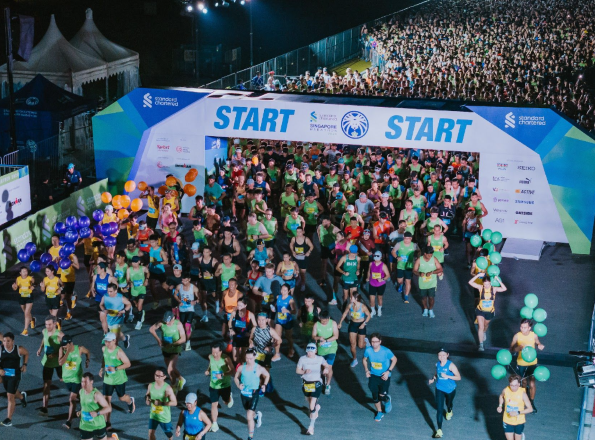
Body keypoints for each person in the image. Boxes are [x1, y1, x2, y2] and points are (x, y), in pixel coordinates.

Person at [99, 332, 135, 430]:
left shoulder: (119, 352)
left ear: (114, 341)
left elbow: (128, 364)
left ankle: (130, 401)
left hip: (119, 379)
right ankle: (108, 422)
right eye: (105, 341)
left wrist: (115, 368)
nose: (107, 343)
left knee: (122, 398)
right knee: (106, 400)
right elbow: (104, 358)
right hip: (108, 379)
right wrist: (102, 368)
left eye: (109, 342)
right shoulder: (104, 349)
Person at [234, 349, 270, 440]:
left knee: (249, 416)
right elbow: (236, 377)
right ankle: (257, 416)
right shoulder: (241, 367)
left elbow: (267, 375)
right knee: (250, 413)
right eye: (247, 358)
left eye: (250, 358)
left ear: (255, 357)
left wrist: (264, 385)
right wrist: (238, 385)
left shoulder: (259, 368)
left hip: (254, 393)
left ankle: (250, 437)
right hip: (244, 394)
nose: (248, 360)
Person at [510, 319, 545, 412]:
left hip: (532, 363)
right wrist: (518, 348)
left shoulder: (534, 335)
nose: (522, 329)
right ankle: (524, 401)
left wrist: (540, 345)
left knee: (532, 383)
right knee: (524, 383)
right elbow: (511, 349)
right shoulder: (517, 336)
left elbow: (537, 342)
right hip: (521, 363)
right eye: (521, 327)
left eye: (525, 327)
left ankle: (532, 402)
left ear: (529, 328)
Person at [296, 343, 330, 435]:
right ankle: (315, 408)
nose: (309, 353)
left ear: (315, 351)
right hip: (306, 384)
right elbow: (298, 370)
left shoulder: (320, 359)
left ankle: (311, 427)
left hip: (317, 383)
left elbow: (326, 365)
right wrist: (304, 371)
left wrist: (326, 369)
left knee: (311, 406)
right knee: (308, 400)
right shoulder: (302, 359)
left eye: (311, 351)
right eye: (308, 351)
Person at [363, 333, 397, 422]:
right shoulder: (368, 350)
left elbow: (394, 359)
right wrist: (366, 370)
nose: (374, 344)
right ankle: (379, 412)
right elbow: (364, 359)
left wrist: (388, 371)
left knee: (381, 396)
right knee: (375, 396)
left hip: (384, 376)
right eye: (372, 342)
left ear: (380, 342)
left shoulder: (386, 351)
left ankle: (387, 399)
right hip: (373, 375)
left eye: (376, 342)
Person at [150, 311, 187, 394]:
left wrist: (173, 344)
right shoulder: (162, 323)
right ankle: (181, 379)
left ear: (173, 318)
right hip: (166, 349)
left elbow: (183, 338)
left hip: (175, 349)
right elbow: (151, 329)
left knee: (170, 369)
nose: (167, 323)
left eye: (169, 321)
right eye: (166, 321)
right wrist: (158, 340)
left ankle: (174, 387)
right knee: (172, 369)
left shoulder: (178, 324)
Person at [468, 274, 507, 351]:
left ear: (490, 283)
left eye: (488, 284)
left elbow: (504, 288)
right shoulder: (480, 288)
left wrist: (498, 280)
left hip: (490, 311)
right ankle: (481, 345)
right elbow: (470, 282)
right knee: (481, 327)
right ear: (483, 283)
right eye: (485, 284)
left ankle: (484, 332)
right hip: (480, 310)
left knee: (486, 325)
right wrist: (478, 275)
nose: (486, 285)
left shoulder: (494, 289)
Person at [59, 335, 90, 429]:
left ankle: (69, 421)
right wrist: (67, 351)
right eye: (63, 345)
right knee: (79, 396)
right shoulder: (62, 349)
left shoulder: (80, 349)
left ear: (70, 343)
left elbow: (87, 352)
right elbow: (60, 362)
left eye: (65, 345)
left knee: (72, 399)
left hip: (77, 379)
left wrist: (87, 360)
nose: (63, 346)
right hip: (67, 379)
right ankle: (87, 405)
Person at [428, 348, 461, 438]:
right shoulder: (437, 364)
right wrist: (433, 379)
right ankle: (439, 430)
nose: (441, 357)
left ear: (447, 355)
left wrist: (447, 375)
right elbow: (436, 373)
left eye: (443, 355)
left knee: (448, 404)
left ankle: (449, 411)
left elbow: (458, 377)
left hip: (450, 389)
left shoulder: (451, 366)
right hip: (439, 388)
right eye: (439, 355)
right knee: (439, 409)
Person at [204, 343, 235, 433]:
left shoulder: (226, 359)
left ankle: (229, 398)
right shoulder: (210, 357)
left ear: (221, 351)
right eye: (213, 352)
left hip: (224, 385)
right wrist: (208, 371)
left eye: (217, 353)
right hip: (213, 385)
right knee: (214, 404)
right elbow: (211, 365)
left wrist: (222, 374)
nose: (215, 355)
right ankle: (214, 423)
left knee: (226, 402)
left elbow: (233, 371)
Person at [0, 332, 28, 426]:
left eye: (8, 341)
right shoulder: (0, 349)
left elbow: (26, 353)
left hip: (15, 375)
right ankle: (22, 397)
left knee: (10, 396)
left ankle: (9, 419)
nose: (6, 343)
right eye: (4, 341)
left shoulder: (18, 349)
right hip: (5, 375)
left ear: (13, 341)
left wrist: (24, 365)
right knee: (11, 391)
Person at [37, 315, 63, 416]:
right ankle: (44, 407)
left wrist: (56, 354)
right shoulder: (44, 331)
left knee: (65, 380)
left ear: (55, 323)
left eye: (49, 324)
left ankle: (78, 394)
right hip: (47, 362)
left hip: (58, 363)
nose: (47, 326)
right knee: (46, 385)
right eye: (46, 324)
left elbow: (66, 349)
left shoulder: (60, 335)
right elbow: (44, 339)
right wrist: (40, 348)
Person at [338, 293, 371, 368]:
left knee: (360, 346)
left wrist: (364, 323)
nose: (350, 298)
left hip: (361, 325)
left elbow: (369, 316)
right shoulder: (350, 305)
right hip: (353, 325)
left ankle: (365, 341)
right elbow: (345, 313)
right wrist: (340, 322)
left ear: (356, 298)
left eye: (351, 297)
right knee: (352, 344)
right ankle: (354, 359)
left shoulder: (363, 306)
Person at [497, 375, 533, 440]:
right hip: (507, 420)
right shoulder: (506, 390)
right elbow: (501, 396)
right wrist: (500, 406)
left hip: (519, 421)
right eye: (511, 385)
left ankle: (521, 436)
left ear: (519, 384)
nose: (513, 387)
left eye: (515, 385)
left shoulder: (523, 394)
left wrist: (517, 412)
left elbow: (530, 409)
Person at [311, 310, 339, 395]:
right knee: (323, 368)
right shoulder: (316, 325)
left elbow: (336, 336)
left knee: (329, 367)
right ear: (319, 318)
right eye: (323, 321)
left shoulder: (333, 323)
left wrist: (326, 340)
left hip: (331, 348)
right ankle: (324, 378)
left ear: (329, 318)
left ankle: (327, 385)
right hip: (321, 350)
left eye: (326, 321)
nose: (324, 322)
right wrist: (319, 337)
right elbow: (313, 336)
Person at [147, 367, 178, 440]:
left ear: (164, 377)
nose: (157, 377)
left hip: (164, 417)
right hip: (153, 415)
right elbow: (147, 394)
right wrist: (147, 399)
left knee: (168, 435)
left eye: (159, 376)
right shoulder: (151, 385)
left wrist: (162, 403)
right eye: (155, 375)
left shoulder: (167, 388)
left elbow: (175, 403)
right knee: (150, 433)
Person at [78, 372, 111, 440]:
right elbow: (85, 406)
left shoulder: (96, 395)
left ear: (91, 382)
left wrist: (97, 413)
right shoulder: (81, 392)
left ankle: (114, 438)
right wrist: (80, 412)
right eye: (82, 382)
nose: (83, 384)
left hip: (98, 425)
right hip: (85, 425)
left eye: (85, 382)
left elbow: (108, 408)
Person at [413, 247, 443, 318]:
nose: (430, 257)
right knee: (423, 297)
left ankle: (430, 309)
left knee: (431, 297)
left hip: (432, 283)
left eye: (431, 255)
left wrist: (432, 272)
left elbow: (440, 269)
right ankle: (425, 309)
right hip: (422, 283)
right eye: (429, 255)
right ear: (425, 254)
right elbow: (414, 270)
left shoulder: (434, 259)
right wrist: (419, 274)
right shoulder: (419, 260)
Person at [99, 283, 132, 348]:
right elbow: (101, 305)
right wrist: (104, 310)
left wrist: (123, 311)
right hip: (109, 319)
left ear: (115, 291)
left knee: (115, 337)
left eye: (111, 291)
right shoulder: (105, 296)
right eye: (108, 291)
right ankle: (125, 339)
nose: (109, 293)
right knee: (117, 333)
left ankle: (115, 352)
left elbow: (129, 304)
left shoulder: (121, 298)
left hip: (118, 319)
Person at [174, 274, 199, 351]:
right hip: (182, 310)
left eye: (185, 280)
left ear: (189, 279)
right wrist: (179, 301)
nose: (183, 282)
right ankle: (184, 337)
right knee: (181, 327)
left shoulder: (194, 288)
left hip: (190, 310)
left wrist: (195, 301)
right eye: (182, 280)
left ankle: (187, 343)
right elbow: (175, 295)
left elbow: (199, 298)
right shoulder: (179, 287)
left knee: (187, 326)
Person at [391, 231, 417, 303]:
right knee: (400, 280)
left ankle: (406, 296)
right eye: (405, 238)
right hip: (400, 266)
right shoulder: (399, 244)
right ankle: (401, 285)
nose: (407, 240)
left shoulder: (414, 245)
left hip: (409, 266)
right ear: (403, 238)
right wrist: (397, 257)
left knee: (408, 281)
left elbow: (419, 251)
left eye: (408, 239)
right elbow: (393, 251)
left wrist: (416, 259)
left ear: (411, 239)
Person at [229, 298, 256, 365]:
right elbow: (229, 322)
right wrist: (230, 329)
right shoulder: (234, 313)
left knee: (244, 357)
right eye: (238, 305)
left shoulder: (250, 314)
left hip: (245, 337)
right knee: (235, 358)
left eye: (240, 305)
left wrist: (250, 333)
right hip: (236, 336)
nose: (239, 307)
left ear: (245, 305)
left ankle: (243, 371)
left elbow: (255, 326)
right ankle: (238, 367)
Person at [274, 283, 297, 359]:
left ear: (289, 291)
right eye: (282, 289)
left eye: (285, 290)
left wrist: (287, 311)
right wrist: (273, 308)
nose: (283, 291)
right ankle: (277, 354)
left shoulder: (290, 300)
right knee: (277, 337)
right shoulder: (278, 297)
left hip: (288, 321)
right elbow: (275, 306)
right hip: (279, 320)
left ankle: (291, 349)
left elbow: (294, 311)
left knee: (288, 337)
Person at [126, 256, 150, 330]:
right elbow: (127, 279)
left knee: (139, 305)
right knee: (134, 304)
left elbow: (148, 273)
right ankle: (141, 312)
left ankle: (139, 322)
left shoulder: (143, 268)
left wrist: (146, 279)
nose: (134, 264)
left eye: (135, 262)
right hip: (134, 290)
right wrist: (130, 282)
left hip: (142, 289)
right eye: (133, 262)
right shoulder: (129, 270)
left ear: (139, 262)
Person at [289, 227, 314, 292]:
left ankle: (303, 284)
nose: (298, 233)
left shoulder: (306, 239)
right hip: (296, 257)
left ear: (303, 232)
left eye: (300, 231)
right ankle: (298, 279)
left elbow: (311, 246)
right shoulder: (294, 238)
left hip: (304, 258)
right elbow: (291, 244)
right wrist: (293, 252)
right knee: (296, 271)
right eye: (297, 232)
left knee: (303, 273)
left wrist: (309, 252)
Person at [366, 251, 390, 317]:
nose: (376, 258)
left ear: (381, 257)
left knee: (379, 298)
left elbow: (388, 275)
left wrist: (382, 279)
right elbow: (369, 271)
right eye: (375, 256)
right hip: (372, 283)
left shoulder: (383, 265)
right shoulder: (371, 264)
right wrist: (368, 277)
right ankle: (373, 310)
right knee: (371, 298)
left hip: (381, 284)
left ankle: (379, 309)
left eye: (378, 256)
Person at [12, 267, 35, 336]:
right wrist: (14, 287)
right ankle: (32, 320)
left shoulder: (30, 278)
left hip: (29, 297)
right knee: (25, 312)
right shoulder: (18, 279)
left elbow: (34, 283)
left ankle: (25, 330)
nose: (25, 273)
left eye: (26, 271)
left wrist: (33, 286)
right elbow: (16, 288)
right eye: (23, 271)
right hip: (21, 297)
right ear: (20, 273)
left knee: (26, 313)